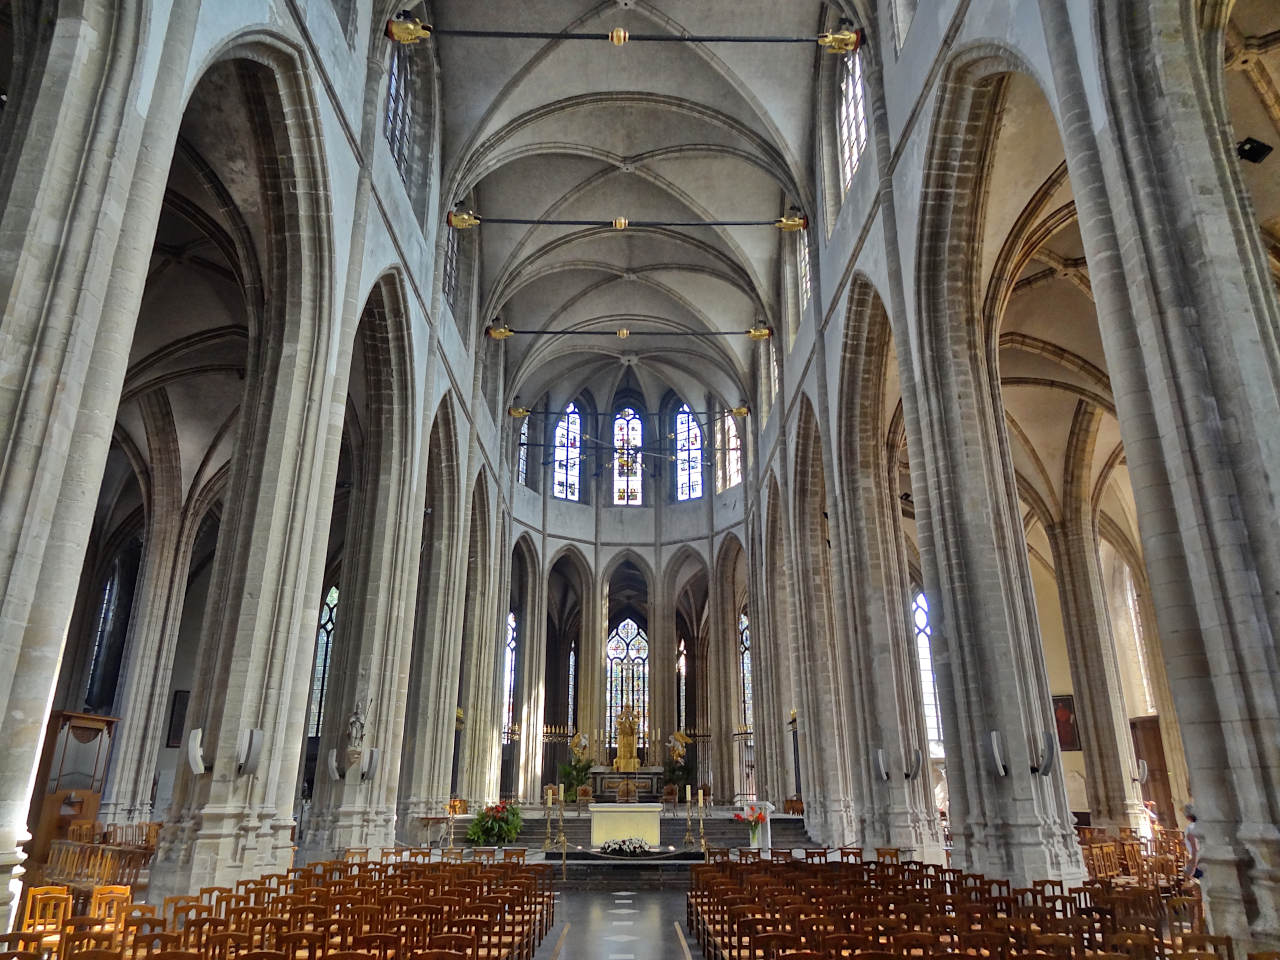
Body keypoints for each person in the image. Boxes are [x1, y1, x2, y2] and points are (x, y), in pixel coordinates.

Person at [1183, 803, 1203, 881]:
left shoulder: (1191, 828)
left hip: (1199, 862)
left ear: (1187, 817)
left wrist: (1193, 866)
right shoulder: (1202, 826)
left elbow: (1195, 849)